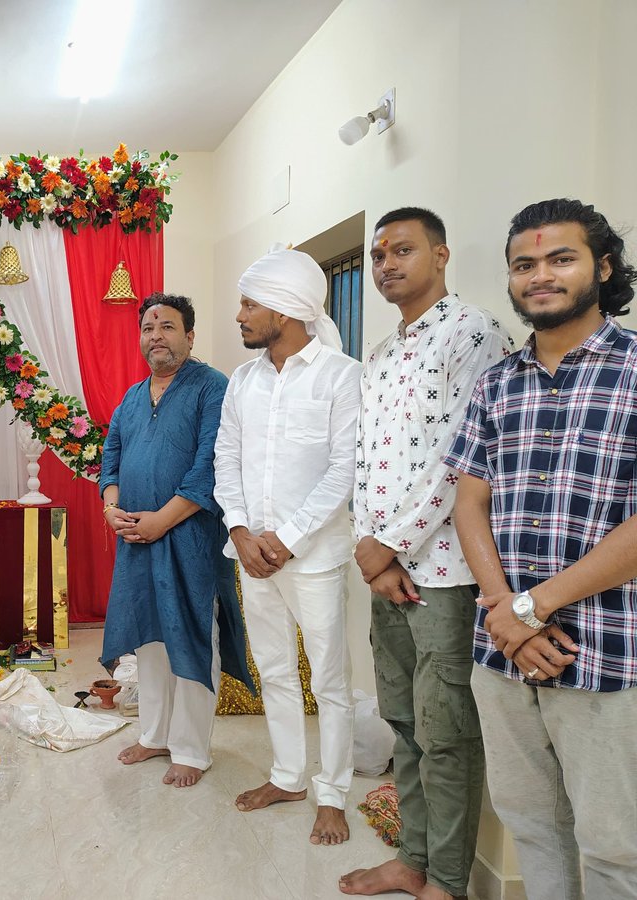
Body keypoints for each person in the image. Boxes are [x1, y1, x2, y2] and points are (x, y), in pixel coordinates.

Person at [447, 199, 637, 900]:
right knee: (531, 824)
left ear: (603, 268)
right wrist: (507, 612)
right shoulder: (497, 383)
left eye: (561, 259)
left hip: (608, 649)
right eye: (523, 264)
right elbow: (470, 502)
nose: (540, 276)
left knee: (615, 846)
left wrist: (529, 609)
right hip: (503, 650)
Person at [341, 208, 513, 900]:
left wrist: (390, 546)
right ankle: (412, 858)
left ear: (440, 255)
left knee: (446, 732)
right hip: (386, 572)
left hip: (444, 571)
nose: (386, 264)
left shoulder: (473, 333)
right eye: (379, 255)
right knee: (405, 725)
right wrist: (369, 548)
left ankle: (446, 879)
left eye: (403, 250)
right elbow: (365, 460)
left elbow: (460, 458)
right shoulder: (382, 353)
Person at [213, 247, 361, 844]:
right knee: (274, 669)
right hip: (251, 555)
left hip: (315, 558)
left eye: (250, 304)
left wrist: (289, 538)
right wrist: (239, 530)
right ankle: (288, 776)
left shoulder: (342, 375)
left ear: (286, 309)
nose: (240, 315)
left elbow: (344, 469)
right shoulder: (243, 380)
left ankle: (333, 793)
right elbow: (226, 459)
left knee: (329, 681)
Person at [101, 291, 254, 789]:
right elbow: (110, 457)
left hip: (190, 540)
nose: (156, 336)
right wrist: (111, 508)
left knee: (191, 636)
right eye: (148, 328)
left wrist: (161, 521)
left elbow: (210, 464)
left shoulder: (212, 387)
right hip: (135, 539)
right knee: (149, 640)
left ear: (189, 335)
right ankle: (155, 735)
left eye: (167, 327)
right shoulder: (131, 397)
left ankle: (191, 749)